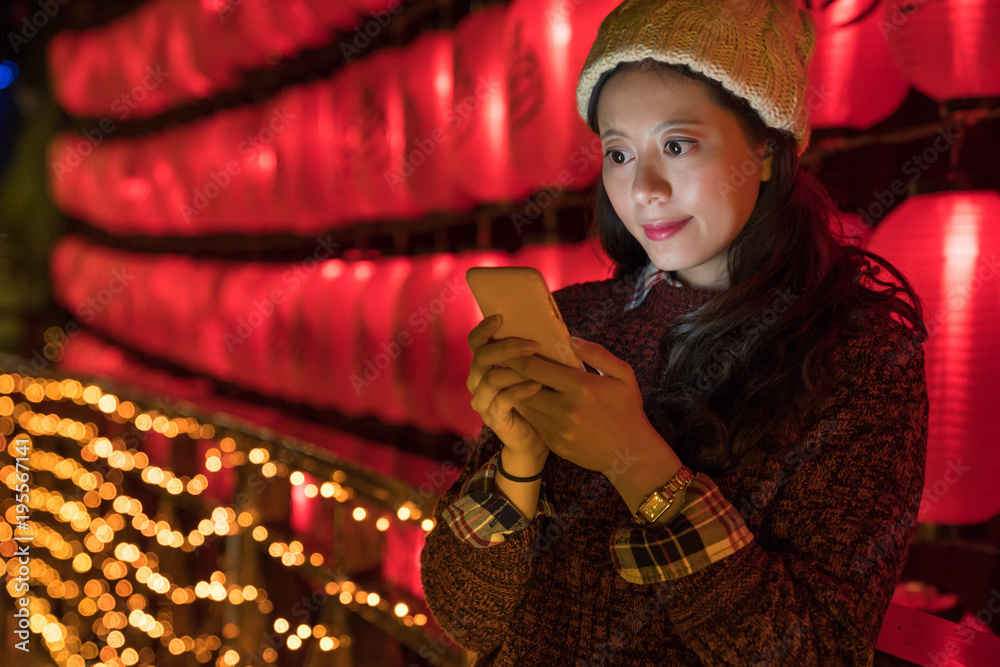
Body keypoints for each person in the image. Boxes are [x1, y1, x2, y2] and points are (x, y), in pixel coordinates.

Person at [420, 0, 928, 664]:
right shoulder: (579, 319)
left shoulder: (858, 356)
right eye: (619, 152)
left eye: (678, 144)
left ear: (767, 151)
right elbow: (466, 618)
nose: (644, 188)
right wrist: (518, 461)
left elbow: (817, 652)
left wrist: (638, 462)